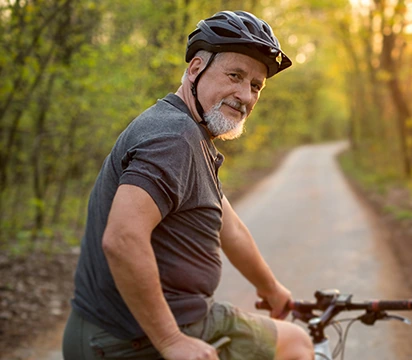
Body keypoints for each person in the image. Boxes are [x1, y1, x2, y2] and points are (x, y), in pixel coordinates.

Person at [62, 10, 313, 360]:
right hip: (134, 340)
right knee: (297, 344)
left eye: (256, 85)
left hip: (108, 332)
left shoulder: (188, 133)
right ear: (195, 69)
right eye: (235, 75)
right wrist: (171, 341)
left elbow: (230, 227)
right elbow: (122, 239)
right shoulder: (175, 138)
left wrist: (271, 289)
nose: (245, 95)